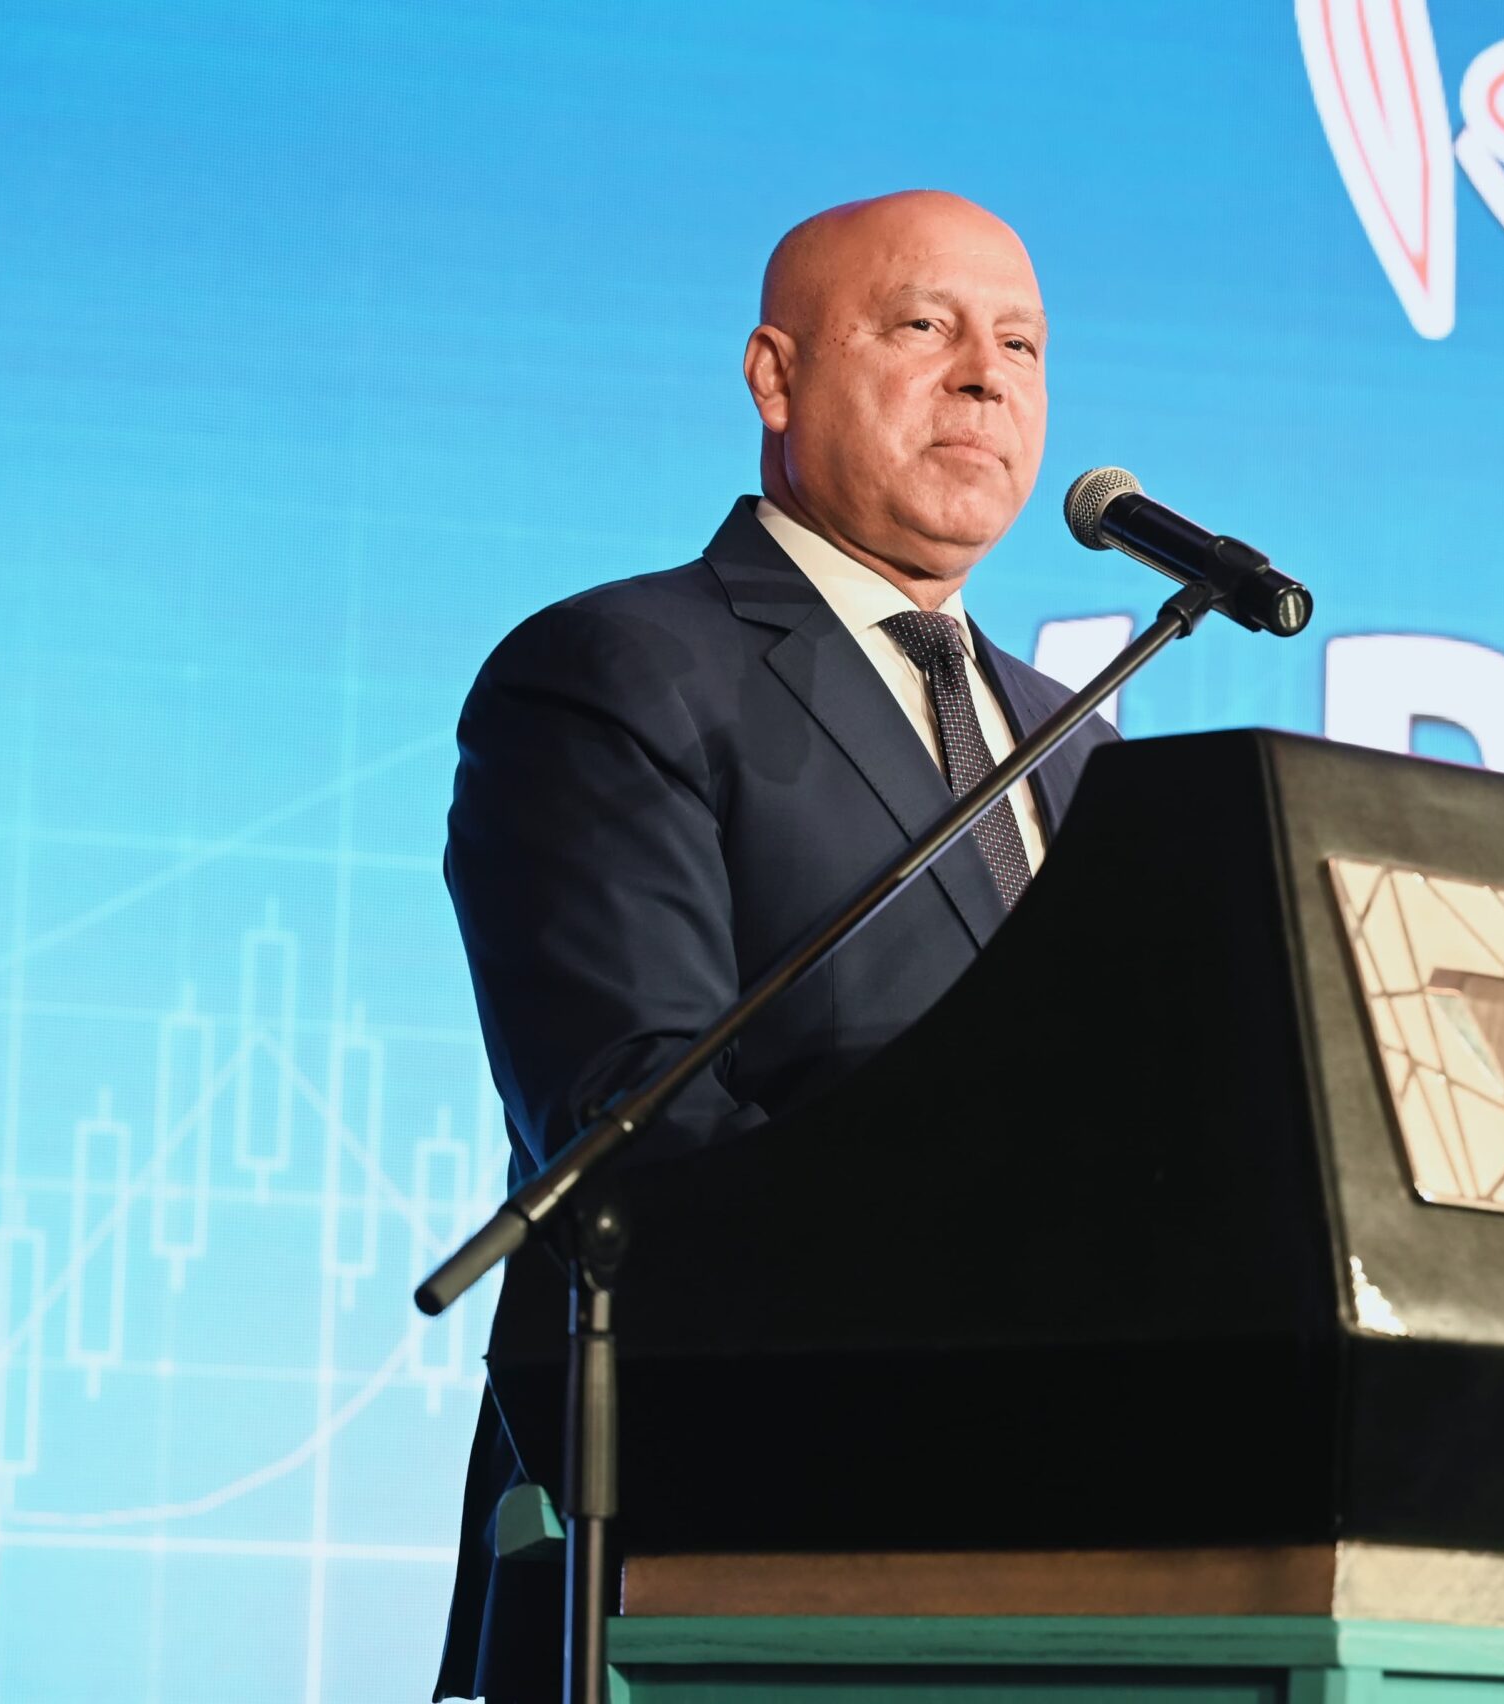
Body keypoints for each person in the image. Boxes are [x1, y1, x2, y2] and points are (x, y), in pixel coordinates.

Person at [432, 190, 1117, 1702]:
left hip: (1069, 1540)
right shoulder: (616, 669)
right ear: (775, 376)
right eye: (924, 326)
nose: (985, 378)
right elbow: (638, 1112)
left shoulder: (1075, 742)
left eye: (1020, 345)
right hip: (719, 1523)